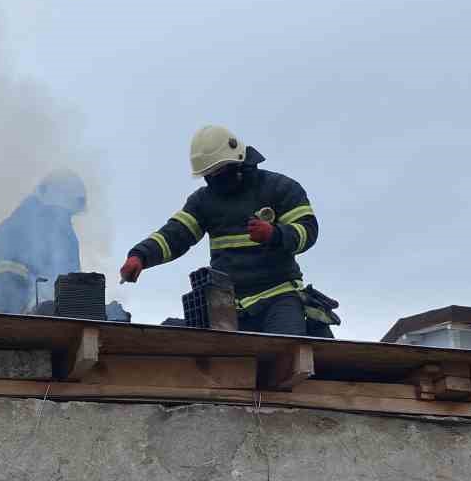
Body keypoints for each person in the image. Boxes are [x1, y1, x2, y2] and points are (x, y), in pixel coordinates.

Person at [119, 126, 331, 336]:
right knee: (205, 351)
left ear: (238, 161)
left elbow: (308, 230)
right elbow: (176, 234)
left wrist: (275, 235)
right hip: (228, 307)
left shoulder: (279, 188)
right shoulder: (203, 201)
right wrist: (140, 256)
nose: (215, 179)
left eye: (219, 171)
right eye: (208, 174)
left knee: (285, 349)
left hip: (280, 297)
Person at [0, 170, 86, 314]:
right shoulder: (20, 226)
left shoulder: (63, 239)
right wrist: (29, 316)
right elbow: (10, 281)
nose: (66, 220)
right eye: (63, 213)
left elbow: (69, 284)